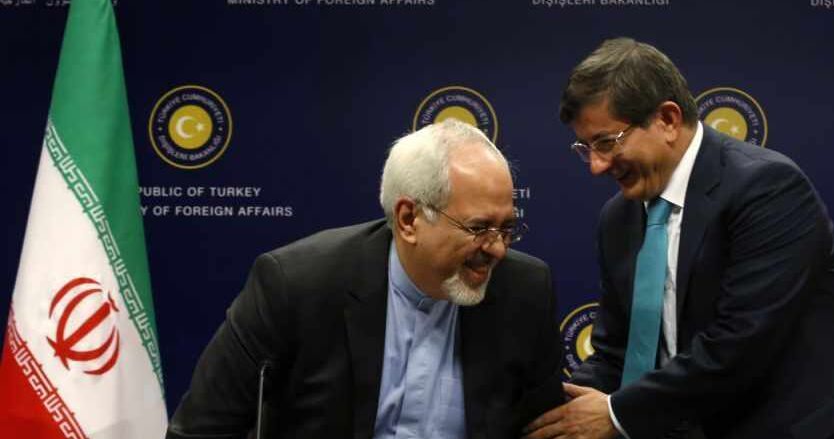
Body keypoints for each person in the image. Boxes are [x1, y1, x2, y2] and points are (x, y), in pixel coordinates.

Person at [524, 38, 834, 439]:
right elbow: (619, 353)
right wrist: (552, 411)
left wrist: (617, 415)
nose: (597, 167)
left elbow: (741, 345)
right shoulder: (618, 219)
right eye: (585, 148)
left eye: (606, 143)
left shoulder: (766, 188)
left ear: (668, 120)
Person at [166, 119, 564, 438]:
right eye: (479, 228)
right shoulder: (297, 285)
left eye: (507, 228)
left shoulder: (524, 291)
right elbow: (200, 430)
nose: (496, 248)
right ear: (409, 220)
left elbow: (547, 431)